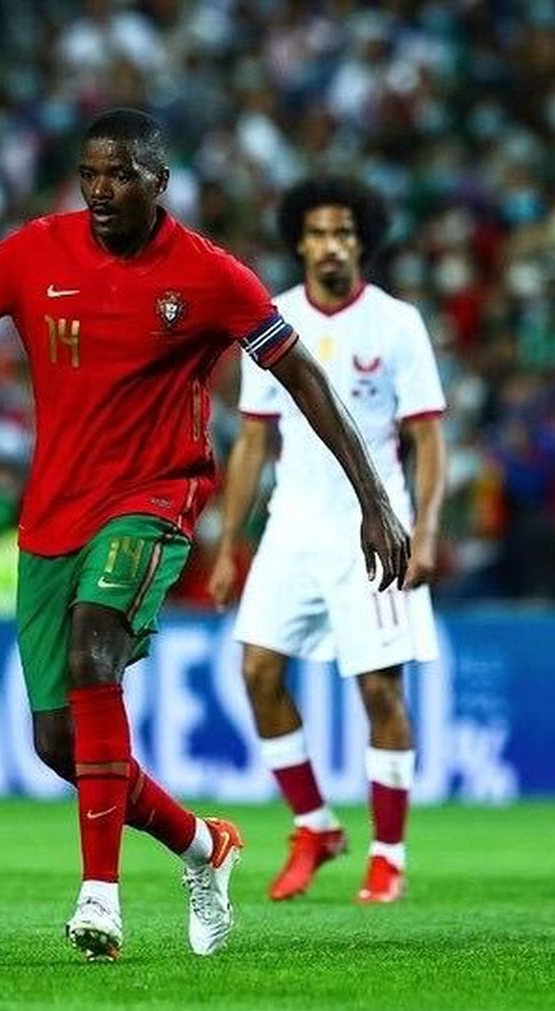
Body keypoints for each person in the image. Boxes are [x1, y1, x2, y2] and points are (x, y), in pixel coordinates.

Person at [0, 110, 409, 961]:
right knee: (60, 742)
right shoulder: (34, 251)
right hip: (54, 511)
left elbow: (302, 378)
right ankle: (205, 846)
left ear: (158, 182)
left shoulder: (210, 276)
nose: (102, 190)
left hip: (154, 496)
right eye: (91, 173)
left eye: (121, 174)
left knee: (98, 642)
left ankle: (100, 897)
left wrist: (373, 498)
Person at [209, 175, 446, 906]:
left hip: (372, 525)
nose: (331, 245)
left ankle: (389, 855)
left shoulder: (396, 323)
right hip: (293, 523)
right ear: (299, 242)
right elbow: (253, 440)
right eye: (317, 233)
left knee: (380, 687)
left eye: (344, 232)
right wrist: (227, 544)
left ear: (361, 240)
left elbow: (427, 438)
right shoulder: (270, 316)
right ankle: (314, 825)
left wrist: (425, 530)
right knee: (257, 672)